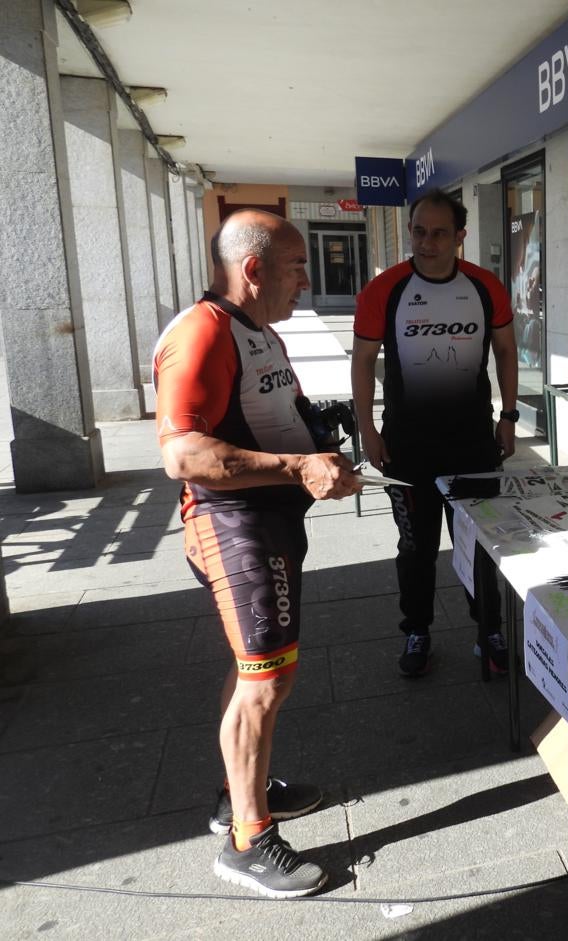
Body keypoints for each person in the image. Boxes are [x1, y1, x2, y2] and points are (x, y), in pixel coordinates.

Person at [154, 210, 361, 898]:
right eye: (298, 267)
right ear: (254, 269)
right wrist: (297, 467)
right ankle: (248, 841)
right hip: (233, 525)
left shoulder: (259, 331)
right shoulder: (201, 332)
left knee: (259, 671)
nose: (308, 279)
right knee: (266, 680)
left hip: (269, 522)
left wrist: (322, 450)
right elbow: (182, 452)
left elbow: (283, 413)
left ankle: (236, 793)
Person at [351, 191, 519, 678]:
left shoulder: (485, 287)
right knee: (416, 547)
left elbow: (506, 351)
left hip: (471, 442)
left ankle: (489, 629)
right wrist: (367, 429)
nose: (426, 242)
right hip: (408, 443)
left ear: (460, 237)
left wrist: (508, 416)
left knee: (479, 542)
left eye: (439, 232)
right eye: (419, 230)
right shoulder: (384, 289)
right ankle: (417, 630)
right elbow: (362, 361)